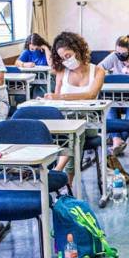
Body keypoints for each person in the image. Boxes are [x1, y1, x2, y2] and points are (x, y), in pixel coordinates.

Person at [44, 31, 106, 172]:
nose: (66, 61)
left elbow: (91, 95)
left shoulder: (97, 71)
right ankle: (60, 176)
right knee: (70, 132)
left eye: (68, 55)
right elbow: (56, 99)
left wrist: (60, 97)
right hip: (64, 119)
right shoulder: (62, 71)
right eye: (62, 58)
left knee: (76, 130)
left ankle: (59, 172)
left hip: (90, 121)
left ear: (78, 50)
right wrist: (48, 99)